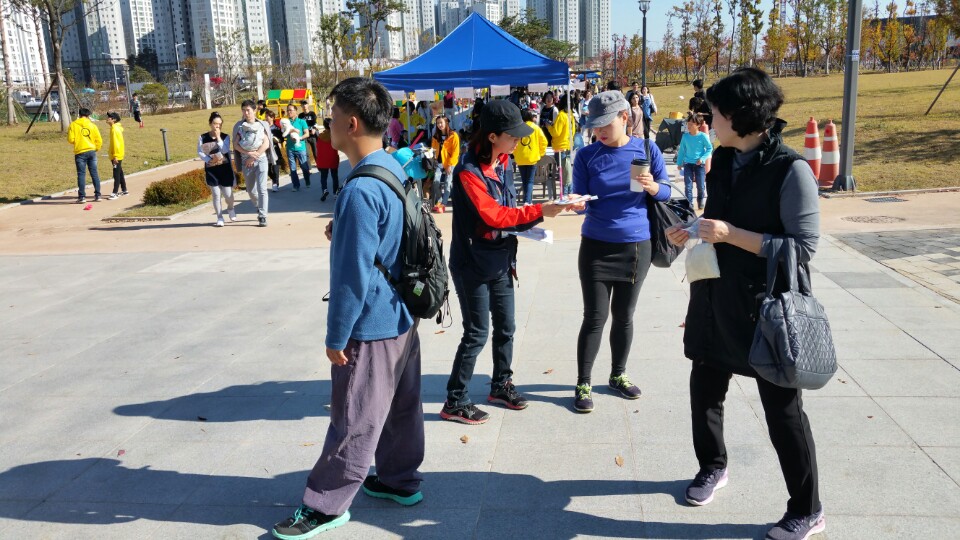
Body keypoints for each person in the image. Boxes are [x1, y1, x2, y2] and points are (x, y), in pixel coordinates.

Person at [665, 68, 825, 540]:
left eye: (713, 112)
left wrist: (730, 235)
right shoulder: (723, 157)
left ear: (738, 115)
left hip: (768, 308)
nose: (707, 118)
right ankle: (712, 466)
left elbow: (803, 247)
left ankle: (807, 508)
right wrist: (691, 229)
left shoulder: (791, 169)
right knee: (705, 391)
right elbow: (717, 221)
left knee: (784, 413)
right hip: (715, 296)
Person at [271, 77, 423, 540]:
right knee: (400, 407)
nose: (327, 123)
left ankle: (325, 505)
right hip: (403, 316)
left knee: (354, 416)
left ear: (351, 122)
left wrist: (336, 337)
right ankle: (399, 480)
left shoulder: (359, 190)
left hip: (372, 321)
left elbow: (352, 277)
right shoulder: (394, 168)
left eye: (332, 115)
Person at [441, 100, 567, 425]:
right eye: (513, 136)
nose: (518, 141)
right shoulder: (468, 173)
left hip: (500, 259)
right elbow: (494, 215)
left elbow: (507, 208)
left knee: (507, 328)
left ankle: (501, 384)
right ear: (493, 135)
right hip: (472, 264)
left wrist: (531, 221)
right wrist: (540, 211)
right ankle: (455, 400)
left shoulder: (504, 161)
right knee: (477, 333)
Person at [566, 91, 671, 413]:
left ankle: (618, 375)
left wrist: (653, 187)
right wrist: (577, 203)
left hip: (636, 245)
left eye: (605, 124)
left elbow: (666, 191)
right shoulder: (586, 155)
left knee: (624, 316)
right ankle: (583, 381)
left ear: (625, 117)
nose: (598, 131)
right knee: (595, 317)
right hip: (596, 244)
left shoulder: (646, 149)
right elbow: (580, 197)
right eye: (594, 125)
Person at [233, 100, 271, 226]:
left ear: (255, 110)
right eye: (243, 110)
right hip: (246, 161)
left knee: (262, 189)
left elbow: (266, 143)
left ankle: (262, 215)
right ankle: (258, 205)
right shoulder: (239, 126)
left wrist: (256, 155)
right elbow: (236, 145)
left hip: (261, 159)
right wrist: (248, 154)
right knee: (250, 190)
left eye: (248, 110)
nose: (246, 112)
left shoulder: (262, 125)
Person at [198, 111, 237, 227]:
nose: (217, 126)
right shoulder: (203, 137)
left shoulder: (225, 137)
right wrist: (208, 160)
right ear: (210, 123)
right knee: (216, 194)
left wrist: (218, 137)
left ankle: (230, 208)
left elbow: (225, 150)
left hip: (225, 169)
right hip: (212, 169)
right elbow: (200, 152)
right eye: (215, 124)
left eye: (220, 124)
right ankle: (219, 217)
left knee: (228, 195)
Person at [676, 111, 714, 210]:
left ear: (698, 125)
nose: (688, 126)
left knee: (700, 186)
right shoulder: (685, 136)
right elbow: (682, 151)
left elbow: (709, 148)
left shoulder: (703, 136)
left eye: (691, 124)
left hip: (699, 165)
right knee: (688, 186)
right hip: (688, 164)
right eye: (688, 124)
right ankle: (689, 204)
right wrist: (679, 163)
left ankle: (700, 199)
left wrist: (702, 159)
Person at [68, 107, 103, 203]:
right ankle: (98, 195)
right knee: (94, 173)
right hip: (92, 151)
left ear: (79, 115)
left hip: (80, 152)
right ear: (88, 116)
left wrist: (78, 141)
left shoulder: (73, 125)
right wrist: (96, 148)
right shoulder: (92, 125)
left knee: (81, 174)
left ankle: (82, 197)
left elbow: (71, 139)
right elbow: (99, 139)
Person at [513, 109, 548, 205]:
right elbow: (544, 141)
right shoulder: (535, 128)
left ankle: (527, 199)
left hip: (520, 158)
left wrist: (516, 154)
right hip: (532, 158)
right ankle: (527, 201)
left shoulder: (518, 128)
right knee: (530, 181)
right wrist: (540, 153)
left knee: (524, 181)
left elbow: (513, 142)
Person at [429, 114, 460, 213]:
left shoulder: (453, 135)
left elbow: (456, 152)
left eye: (441, 123)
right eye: (438, 123)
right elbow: (433, 150)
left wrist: (450, 165)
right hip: (439, 163)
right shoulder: (435, 136)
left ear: (446, 123)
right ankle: (439, 201)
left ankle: (443, 204)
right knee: (436, 181)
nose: (439, 125)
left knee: (447, 183)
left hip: (450, 163)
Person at [549, 94, 573, 195]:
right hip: (568, 146)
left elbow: (556, 132)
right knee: (568, 173)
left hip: (560, 147)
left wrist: (549, 126)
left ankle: (564, 195)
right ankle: (569, 194)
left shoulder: (561, 115)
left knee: (562, 174)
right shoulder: (570, 114)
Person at [284, 103, 311, 191]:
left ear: (296, 111)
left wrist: (299, 138)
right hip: (290, 148)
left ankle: (307, 180)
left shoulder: (301, 121)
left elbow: (307, 133)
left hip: (300, 148)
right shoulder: (286, 122)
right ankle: (296, 185)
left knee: (304, 167)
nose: (289, 112)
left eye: (291, 110)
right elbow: (283, 134)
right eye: (288, 110)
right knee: (292, 168)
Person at [316, 117, 340, 200]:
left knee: (323, 177)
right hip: (333, 158)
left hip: (323, 159)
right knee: (334, 176)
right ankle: (335, 193)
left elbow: (318, 148)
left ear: (324, 125)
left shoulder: (320, 136)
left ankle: (324, 190)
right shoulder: (334, 135)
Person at [105, 112, 127, 200]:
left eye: (109, 117)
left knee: (116, 173)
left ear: (114, 119)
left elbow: (116, 143)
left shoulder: (114, 129)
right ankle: (124, 190)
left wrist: (115, 156)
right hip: (117, 154)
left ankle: (115, 192)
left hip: (116, 155)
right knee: (120, 171)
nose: (107, 118)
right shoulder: (115, 128)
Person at [263, 109, 286, 192]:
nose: (266, 118)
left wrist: (278, 140)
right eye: (265, 116)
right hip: (265, 151)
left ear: (272, 117)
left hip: (275, 150)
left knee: (275, 168)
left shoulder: (277, 128)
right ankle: (274, 179)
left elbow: (282, 139)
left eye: (268, 116)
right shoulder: (263, 128)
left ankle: (275, 183)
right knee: (268, 170)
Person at [299, 100, 320, 168]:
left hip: (312, 135)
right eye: (303, 104)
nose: (304, 106)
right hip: (305, 136)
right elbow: (300, 125)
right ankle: (308, 167)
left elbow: (315, 122)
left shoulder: (312, 114)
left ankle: (319, 164)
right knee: (306, 152)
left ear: (308, 105)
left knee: (315, 151)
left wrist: (314, 128)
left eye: (305, 104)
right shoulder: (300, 115)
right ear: (301, 106)